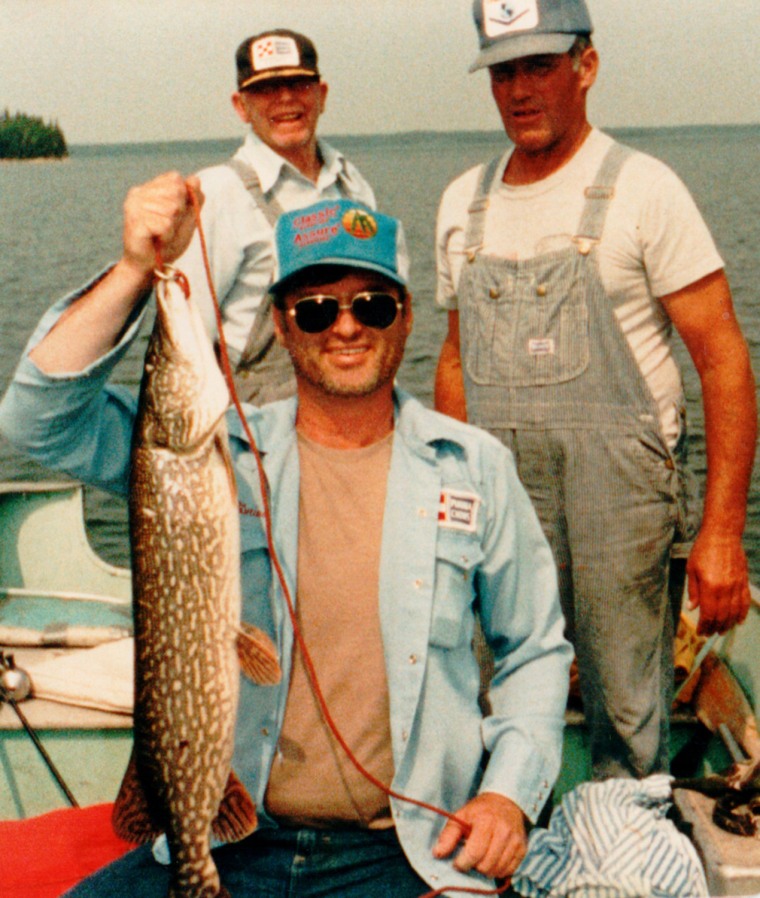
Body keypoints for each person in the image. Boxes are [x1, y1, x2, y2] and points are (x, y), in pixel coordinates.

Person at [0, 179, 572, 896]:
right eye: (314, 308)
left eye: (372, 304)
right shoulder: (215, 456)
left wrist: (507, 796)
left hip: (401, 851)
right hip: (229, 840)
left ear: (406, 317)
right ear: (281, 322)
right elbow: (35, 418)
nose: (346, 327)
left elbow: (535, 651)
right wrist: (135, 270)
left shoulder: (475, 467)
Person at [434, 0, 757, 781]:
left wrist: (719, 536)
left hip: (624, 503)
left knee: (625, 708)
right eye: (503, 72)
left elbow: (722, 360)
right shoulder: (462, 204)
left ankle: (626, 841)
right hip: (504, 500)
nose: (520, 90)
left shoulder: (645, 189)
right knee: (493, 692)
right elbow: (452, 362)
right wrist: (448, 500)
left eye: (540, 66)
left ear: (587, 66)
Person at [177, 28, 376, 404]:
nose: (285, 98)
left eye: (299, 84)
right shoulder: (217, 193)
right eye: (266, 89)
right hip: (257, 428)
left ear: (322, 95)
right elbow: (186, 343)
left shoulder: (353, 186)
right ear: (241, 105)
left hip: (352, 409)